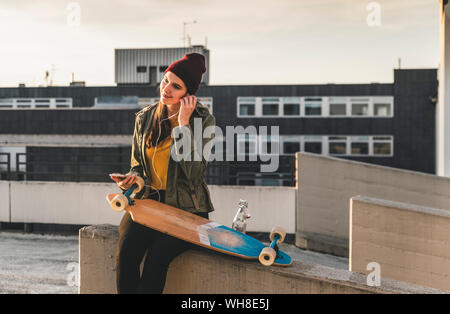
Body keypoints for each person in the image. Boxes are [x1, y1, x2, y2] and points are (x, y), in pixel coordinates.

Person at [111, 53, 215, 294]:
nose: (166, 89)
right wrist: (133, 179)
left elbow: (194, 173)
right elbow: (138, 166)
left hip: (187, 209)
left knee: (157, 259)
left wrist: (182, 124)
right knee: (125, 254)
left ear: (188, 94)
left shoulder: (203, 121)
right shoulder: (145, 118)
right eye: (165, 80)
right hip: (149, 202)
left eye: (176, 86)